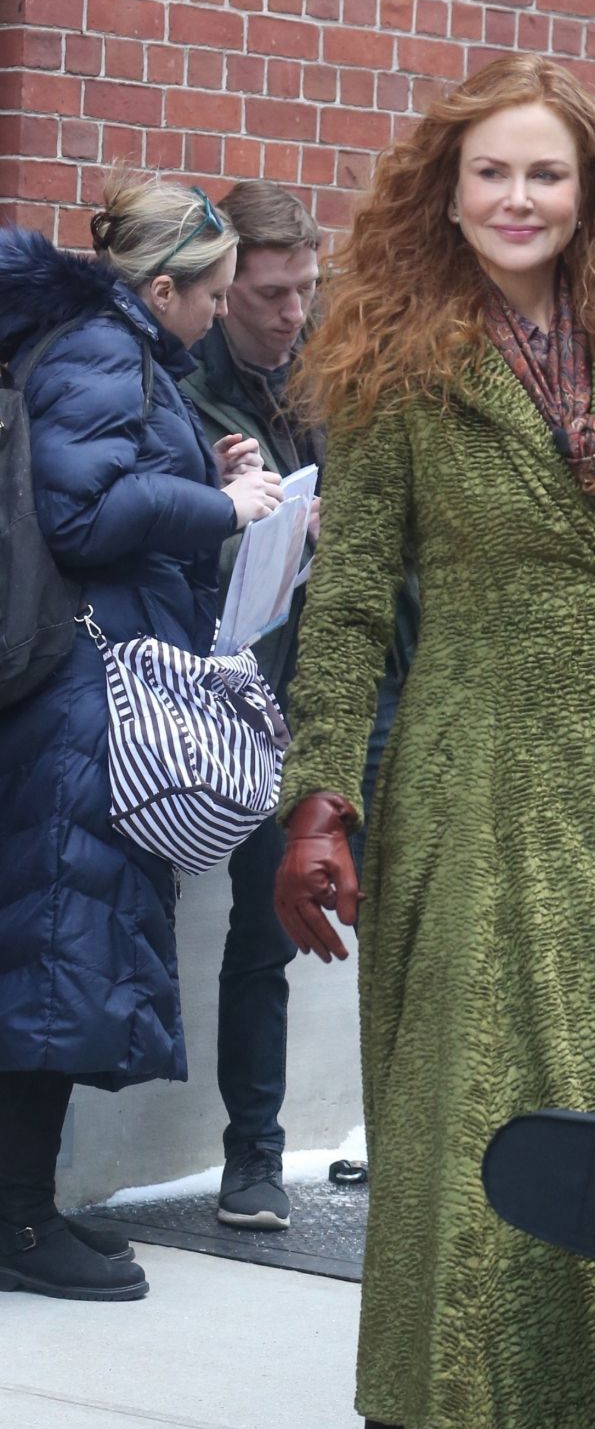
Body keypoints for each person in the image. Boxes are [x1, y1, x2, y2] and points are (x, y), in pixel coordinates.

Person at [272, 54, 595, 1429]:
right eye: (490, 176)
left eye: (547, 176)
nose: (518, 201)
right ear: (446, 192)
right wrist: (319, 792)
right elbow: (349, 598)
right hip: (463, 786)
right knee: (464, 1161)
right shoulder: (397, 364)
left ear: (590, 193)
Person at [0, 173, 281, 1302]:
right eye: (212, 294)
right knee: (57, 953)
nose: (221, 314)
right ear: (162, 288)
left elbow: (107, 479)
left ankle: (25, 1208)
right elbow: (82, 514)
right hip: (80, 692)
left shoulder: (110, 349)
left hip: (78, 684)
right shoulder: (103, 351)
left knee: (57, 946)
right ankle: (20, 1223)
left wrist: (192, 472)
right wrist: (223, 511)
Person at [184, 181, 322, 1231]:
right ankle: (250, 1155)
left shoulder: (333, 377)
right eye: (270, 294)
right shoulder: (184, 383)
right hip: (210, 688)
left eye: (304, 291)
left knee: (273, 923)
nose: (289, 314)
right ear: (226, 289)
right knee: (243, 920)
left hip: (319, 676)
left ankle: (260, 1155)